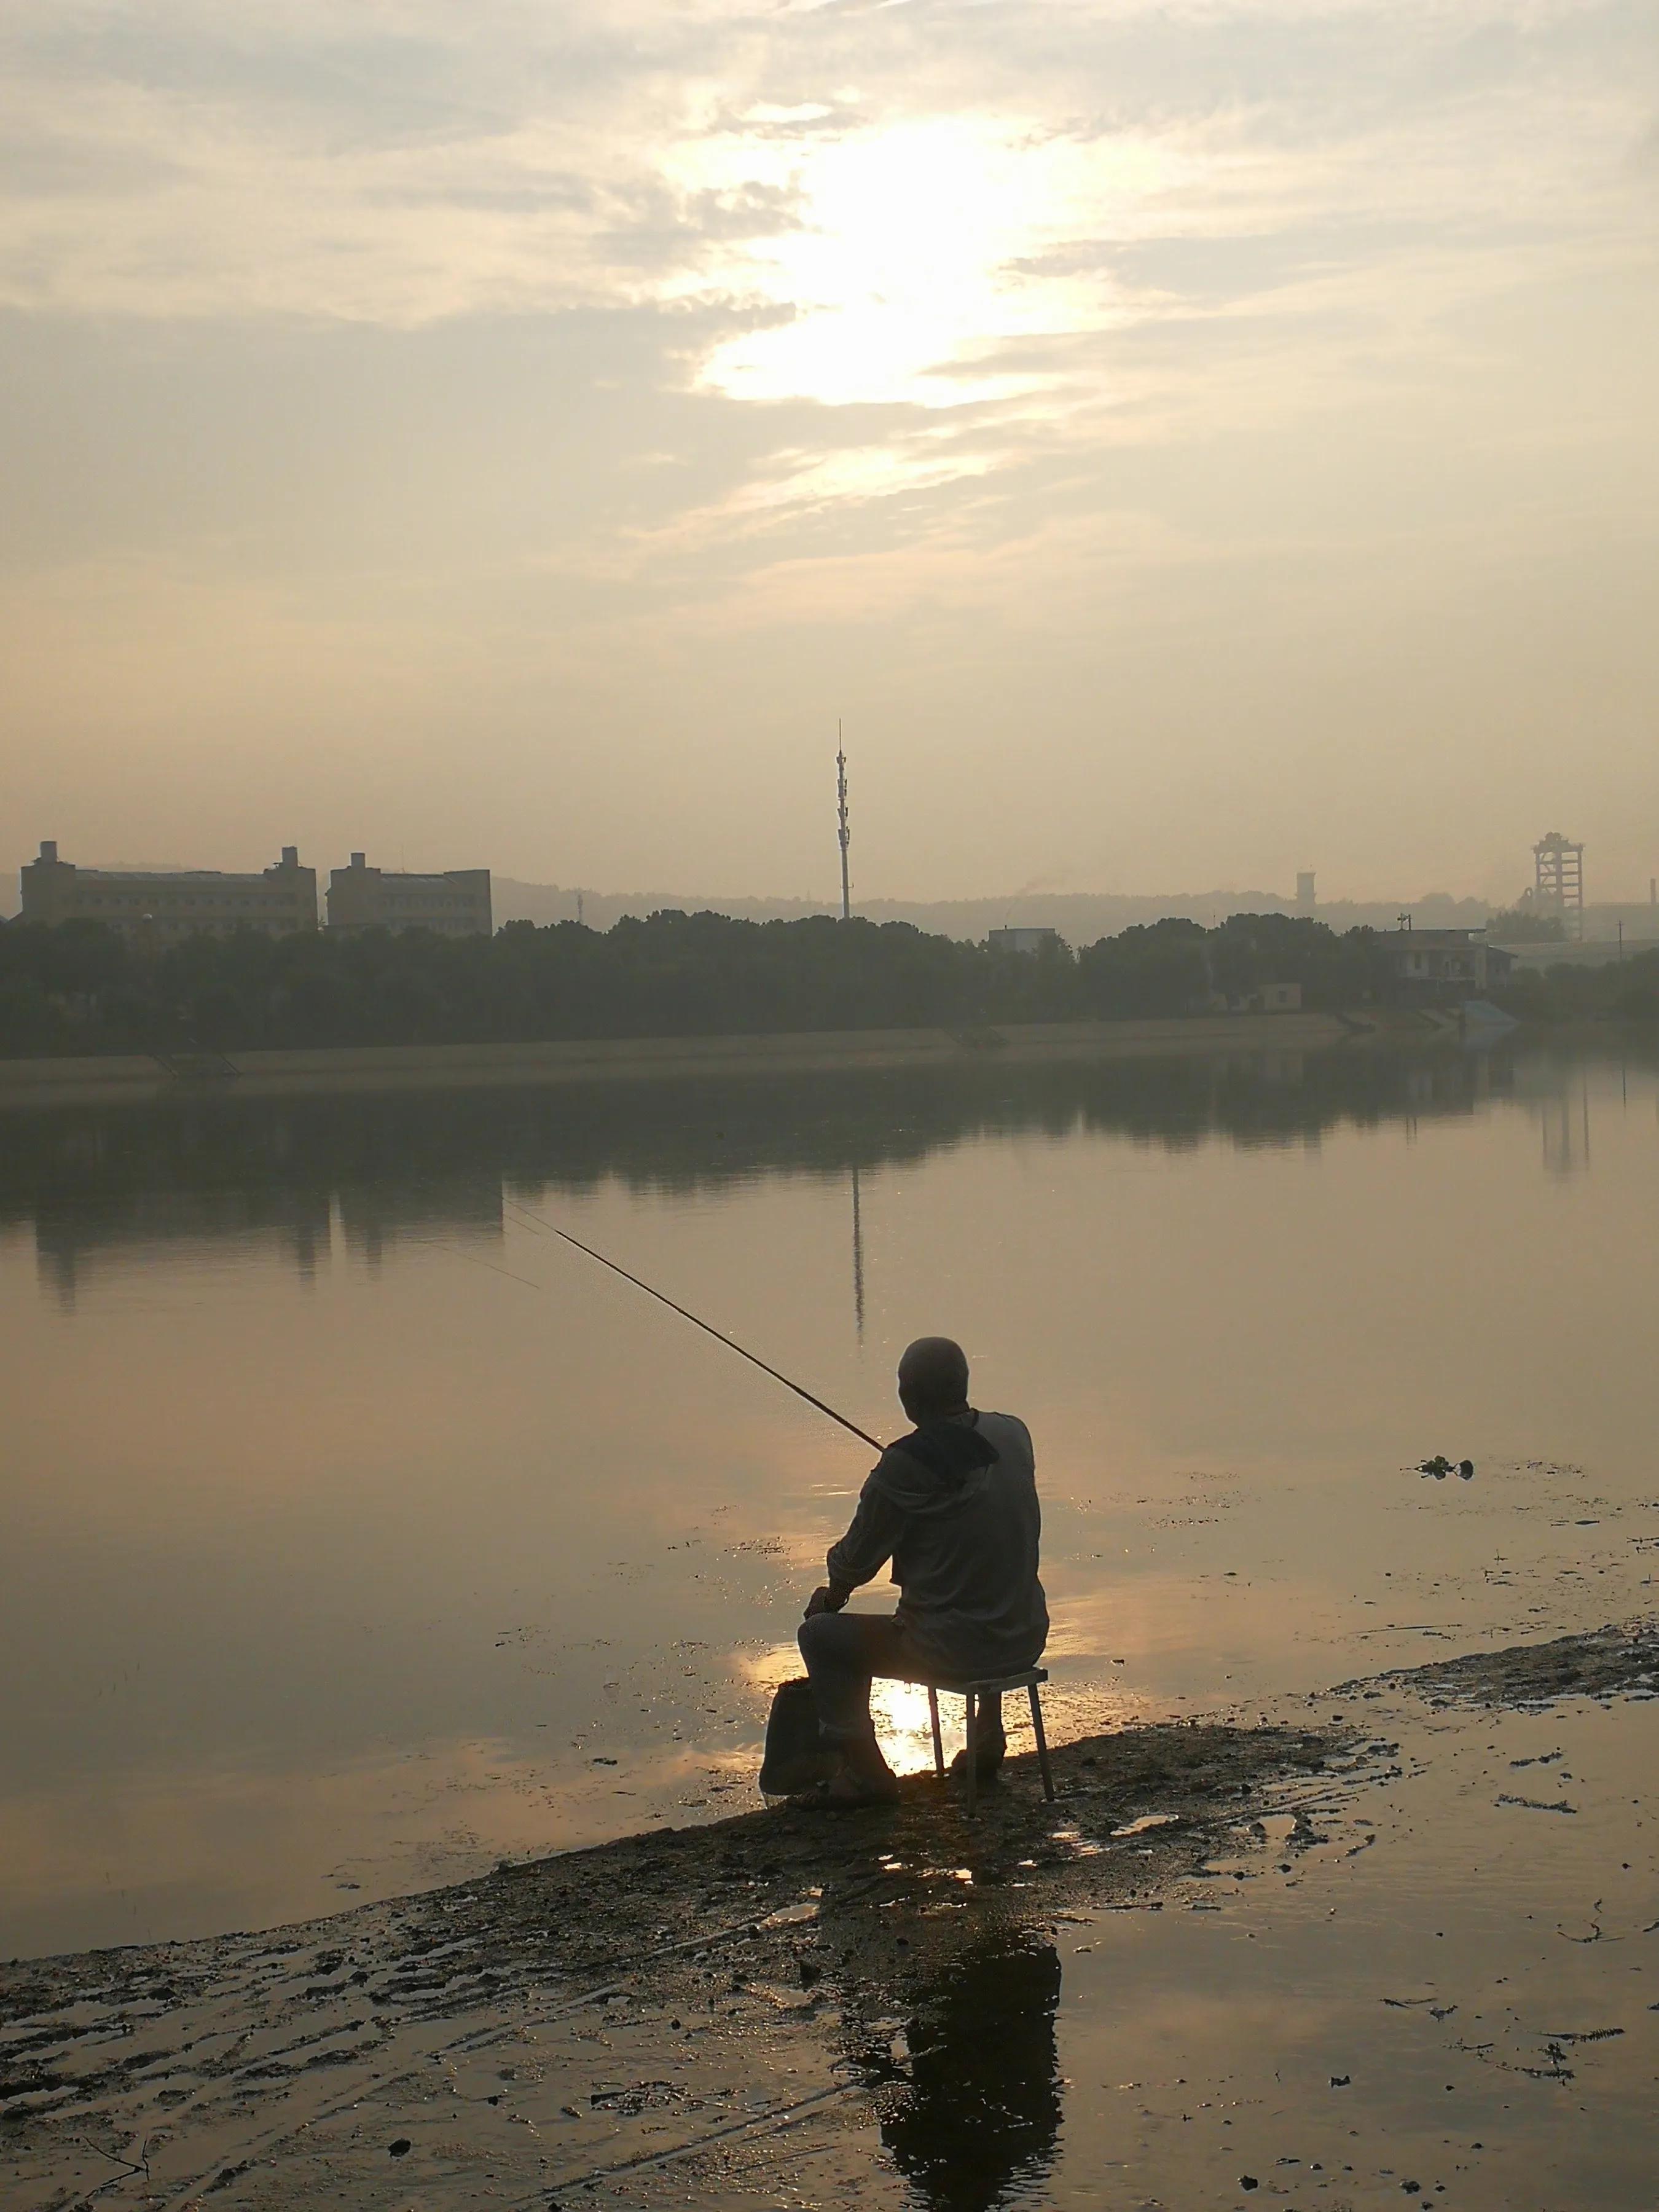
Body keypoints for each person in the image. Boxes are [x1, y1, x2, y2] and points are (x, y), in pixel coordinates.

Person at [796, 1336, 1048, 1808]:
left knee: (820, 1637)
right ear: (964, 1384)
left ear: (907, 1396)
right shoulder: (1016, 1435)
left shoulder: (902, 1467)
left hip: (948, 1651)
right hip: (1024, 1636)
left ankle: (867, 1774)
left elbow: (854, 1562)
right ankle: (988, 1739)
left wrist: (828, 1600)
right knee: (979, 1583)